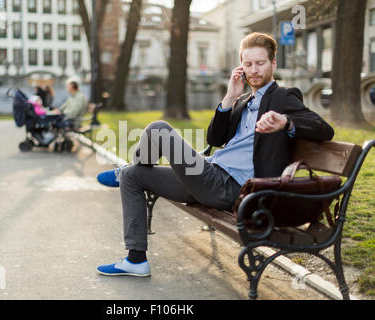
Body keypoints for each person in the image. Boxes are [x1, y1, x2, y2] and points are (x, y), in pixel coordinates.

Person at [95, 32, 335, 277]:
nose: (253, 70)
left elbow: (324, 130)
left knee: (159, 130)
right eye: (248, 64)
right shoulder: (242, 101)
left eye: (260, 63)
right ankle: (136, 260)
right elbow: (214, 140)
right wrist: (230, 97)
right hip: (208, 175)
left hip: (233, 188)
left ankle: (125, 168)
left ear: (273, 64)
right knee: (134, 176)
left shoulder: (283, 97)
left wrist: (285, 122)